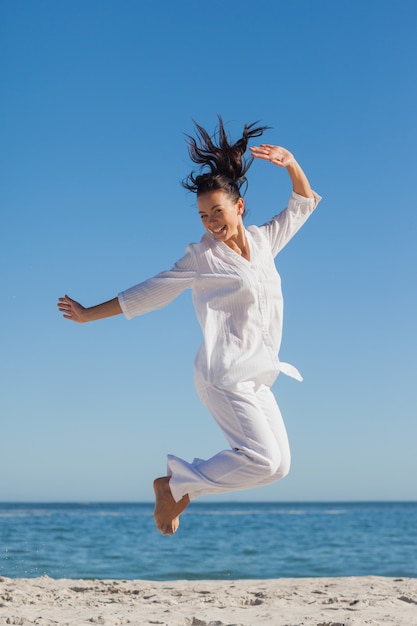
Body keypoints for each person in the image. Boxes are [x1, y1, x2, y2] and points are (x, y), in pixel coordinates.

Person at [57, 117, 321, 536]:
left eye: (217, 211)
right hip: (223, 375)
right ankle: (174, 484)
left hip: (259, 375)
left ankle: (176, 484)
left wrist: (291, 164)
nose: (212, 222)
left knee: (279, 467)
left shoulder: (264, 241)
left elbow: (303, 204)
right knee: (265, 460)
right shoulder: (201, 257)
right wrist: (90, 313)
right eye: (203, 216)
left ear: (239, 206)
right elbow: (152, 290)